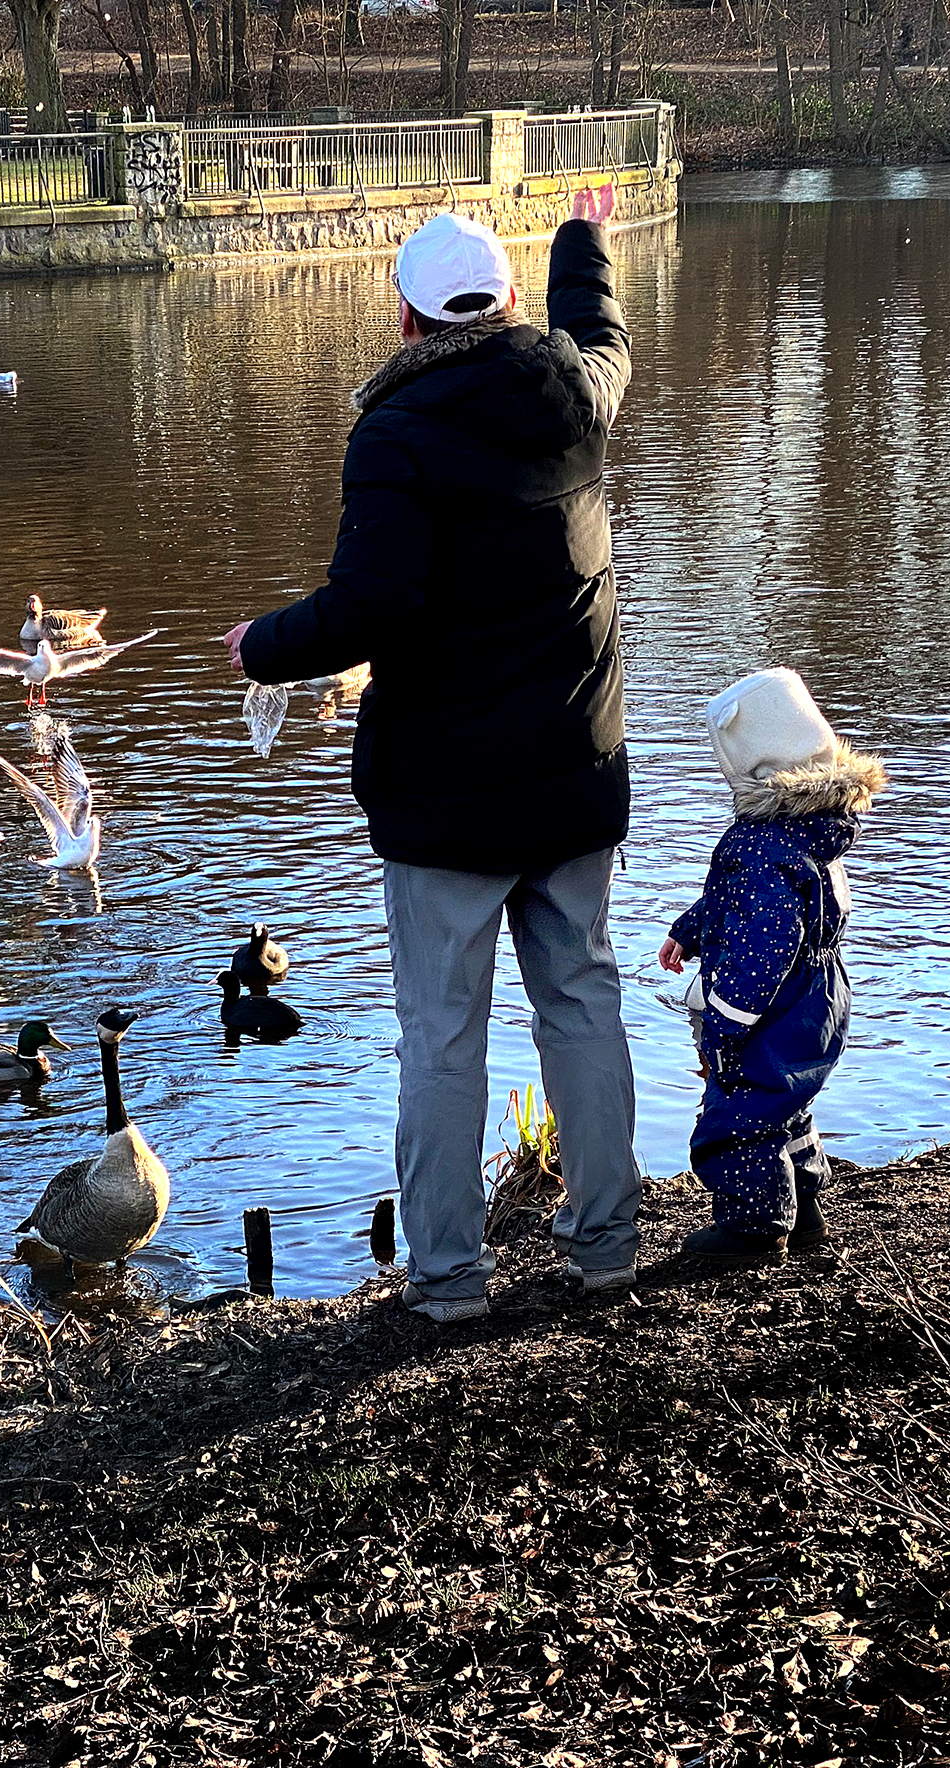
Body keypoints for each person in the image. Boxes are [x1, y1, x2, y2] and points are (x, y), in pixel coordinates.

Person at [223, 186, 637, 1324]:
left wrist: (261, 646)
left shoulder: (393, 434)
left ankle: (449, 1279)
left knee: (444, 1038)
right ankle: (606, 1248)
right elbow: (603, 337)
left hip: (446, 803)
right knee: (583, 1004)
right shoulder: (567, 390)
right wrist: (581, 240)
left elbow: (370, 607)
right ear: (505, 303)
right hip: (570, 775)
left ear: (406, 323)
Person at [658, 669, 885, 1265]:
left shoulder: (757, 845)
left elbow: (763, 943)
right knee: (788, 1101)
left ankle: (753, 1231)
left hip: (773, 1000)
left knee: (739, 1111)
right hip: (823, 993)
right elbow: (752, 907)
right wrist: (693, 929)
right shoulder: (816, 830)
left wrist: (727, 1023)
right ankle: (805, 1211)